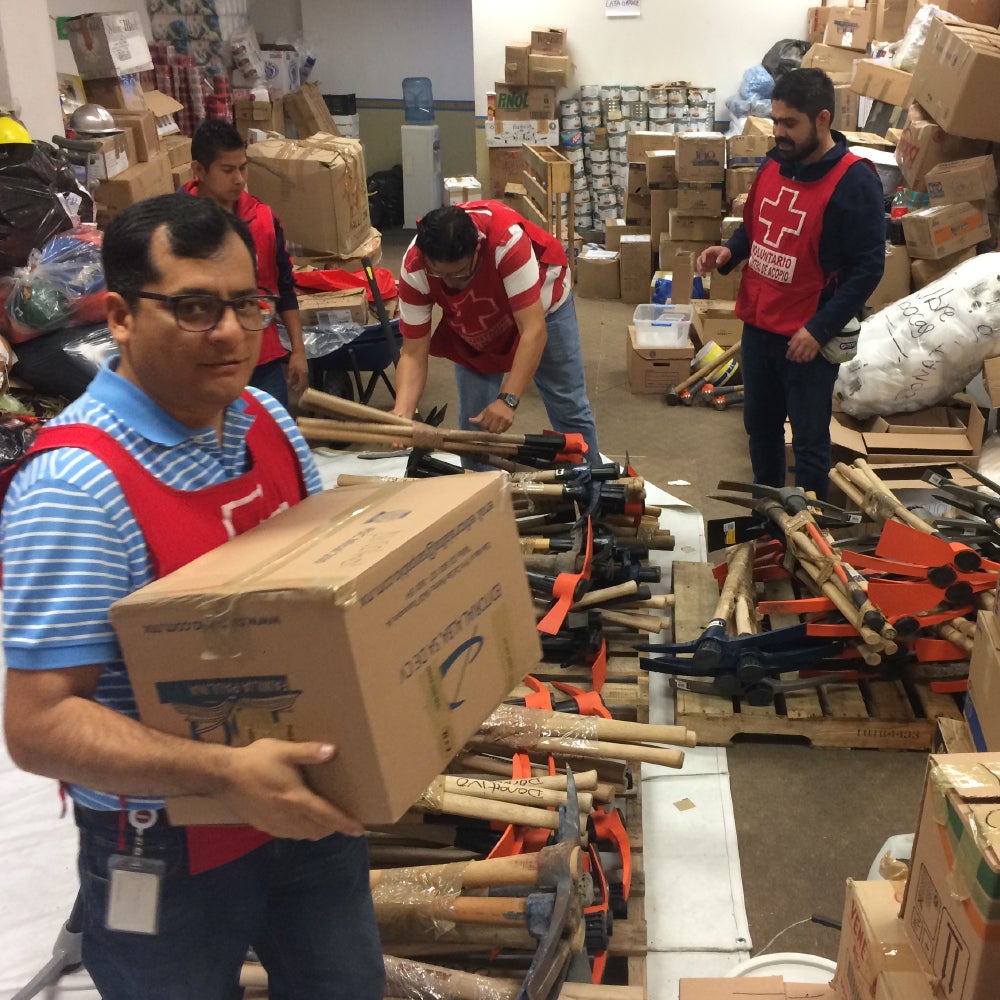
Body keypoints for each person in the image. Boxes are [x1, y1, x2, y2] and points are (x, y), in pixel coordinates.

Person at [1, 195, 384, 1000]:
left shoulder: (267, 423)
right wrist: (221, 772)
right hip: (163, 842)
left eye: (246, 304)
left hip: (308, 803)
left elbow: (323, 608)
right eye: (195, 308)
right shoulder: (76, 487)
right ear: (121, 316)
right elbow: (37, 726)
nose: (235, 332)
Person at [697, 68, 885, 500]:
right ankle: (767, 520)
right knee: (760, 433)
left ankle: (807, 535)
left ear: (822, 119)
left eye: (789, 124)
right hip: (760, 328)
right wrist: (729, 252)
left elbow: (868, 269)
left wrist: (819, 330)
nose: (778, 132)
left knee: (809, 445)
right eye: (776, 121)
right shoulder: (776, 160)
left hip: (806, 340)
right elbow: (756, 228)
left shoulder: (855, 182)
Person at [394, 201, 600, 463]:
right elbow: (412, 352)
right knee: (474, 423)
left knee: (568, 405)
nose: (449, 282)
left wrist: (509, 398)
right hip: (476, 319)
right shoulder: (415, 267)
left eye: (458, 273)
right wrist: (402, 413)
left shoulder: (505, 241)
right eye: (439, 273)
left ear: (476, 249)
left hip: (543, 306)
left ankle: (592, 485)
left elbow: (533, 330)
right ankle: (484, 496)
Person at [183, 117, 308, 409]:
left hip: (261, 360)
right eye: (227, 170)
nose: (239, 179)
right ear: (199, 170)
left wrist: (298, 351)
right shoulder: (174, 226)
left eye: (243, 168)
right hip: (202, 362)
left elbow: (284, 288)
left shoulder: (263, 219)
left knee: (271, 439)